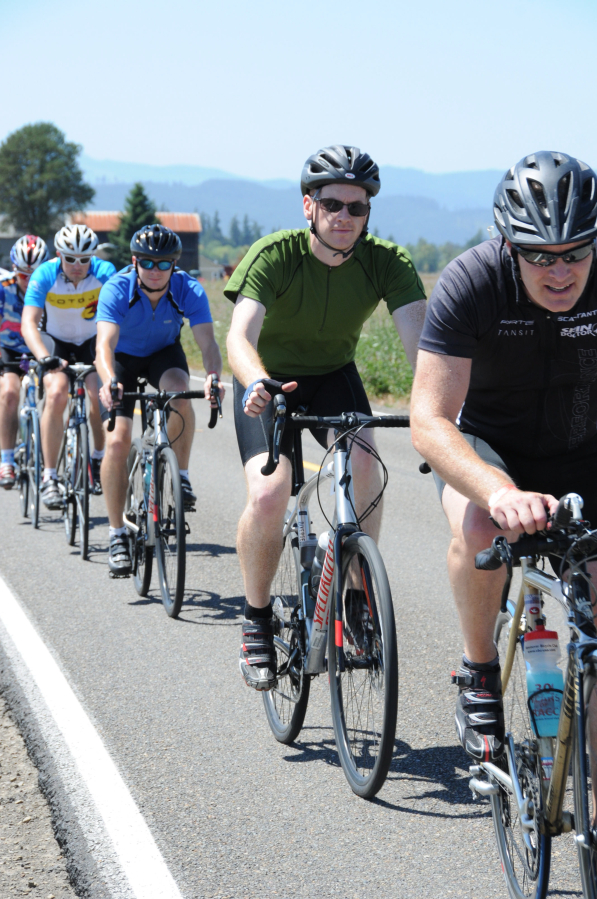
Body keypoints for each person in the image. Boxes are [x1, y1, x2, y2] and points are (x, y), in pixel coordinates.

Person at [410, 150, 597, 762]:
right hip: (492, 453)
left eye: (575, 252)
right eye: (540, 255)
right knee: (479, 524)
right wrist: (497, 490)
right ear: (509, 247)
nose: (561, 271)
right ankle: (480, 671)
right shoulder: (473, 282)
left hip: (580, 450)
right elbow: (430, 419)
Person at [225, 144, 428, 691]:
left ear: (368, 213)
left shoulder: (387, 262)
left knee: (366, 462)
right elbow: (239, 336)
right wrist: (255, 379)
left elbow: (423, 350)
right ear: (308, 206)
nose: (344, 217)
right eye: (332, 204)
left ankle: (357, 593)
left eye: (356, 208)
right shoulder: (275, 254)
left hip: (334, 374)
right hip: (270, 383)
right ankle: (257, 620)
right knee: (270, 495)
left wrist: (435, 408)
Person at [95, 223, 224, 577]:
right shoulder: (118, 288)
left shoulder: (188, 289)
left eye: (164, 264)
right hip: (122, 358)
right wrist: (109, 381)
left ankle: (180, 475)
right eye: (148, 263)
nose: (155, 270)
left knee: (181, 392)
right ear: (134, 262)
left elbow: (208, 345)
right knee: (118, 440)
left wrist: (213, 376)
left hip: (164, 354)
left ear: (174, 265)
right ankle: (117, 533)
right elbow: (103, 345)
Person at [21, 224, 116, 508]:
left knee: (96, 395)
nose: (77, 265)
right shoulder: (45, 274)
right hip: (56, 343)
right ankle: (50, 477)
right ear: (59, 254)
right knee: (56, 393)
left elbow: (118, 316)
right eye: (70, 258)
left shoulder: (105, 273)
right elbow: (28, 323)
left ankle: (98, 458)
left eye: (84, 259)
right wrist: (42, 358)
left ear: (93, 257)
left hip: (91, 342)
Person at [0, 235, 50, 488]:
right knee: (9, 392)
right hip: (7, 349)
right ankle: (6, 460)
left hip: (41, 349)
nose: (29, 281)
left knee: (54, 395)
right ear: (13, 269)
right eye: (23, 275)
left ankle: (51, 463)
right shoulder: (3, 286)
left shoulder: (52, 286)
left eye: (34, 275)